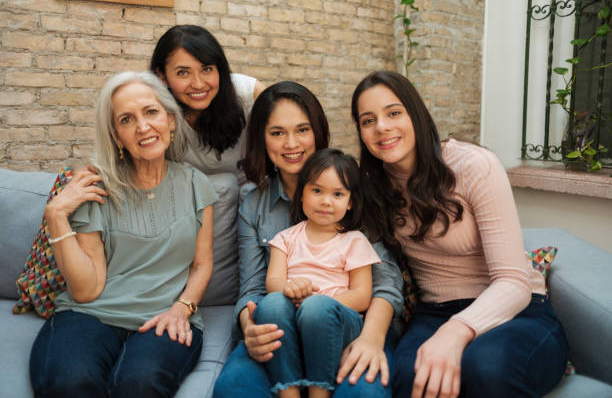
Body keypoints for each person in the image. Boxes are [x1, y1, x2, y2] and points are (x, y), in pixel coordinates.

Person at [351, 71, 569, 398]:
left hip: (516, 311)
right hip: (434, 311)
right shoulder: (371, 188)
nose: (381, 126)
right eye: (368, 120)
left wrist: (456, 331)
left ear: (418, 115)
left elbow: (513, 281)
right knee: (411, 378)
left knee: (487, 367)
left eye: (394, 112)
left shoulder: (472, 166)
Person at [29, 71, 218, 398]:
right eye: (127, 120)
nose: (143, 127)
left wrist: (182, 308)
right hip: (90, 315)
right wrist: (56, 215)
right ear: (117, 136)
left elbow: (202, 265)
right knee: (69, 384)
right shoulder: (96, 187)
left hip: (164, 317)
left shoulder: (196, 185)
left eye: (151, 112)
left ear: (171, 121)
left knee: (139, 386)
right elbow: (88, 290)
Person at [213, 82, 403, 398]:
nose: (291, 143)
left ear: (318, 130)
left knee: (362, 395)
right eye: (277, 133)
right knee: (234, 388)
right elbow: (253, 289)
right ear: (262, 138)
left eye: (302, 130)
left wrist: (370, 338)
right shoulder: (253, 204)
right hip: (279, 329)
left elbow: (385, 285)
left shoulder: (352, 189)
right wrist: (250, 330)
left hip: (349, 327)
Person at [255, 148, 381, 398]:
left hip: (338, 321)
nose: (325, 201)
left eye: (337, 194)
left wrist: (319, 303)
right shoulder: (286, 239)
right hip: (292, 318)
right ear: (301, 194)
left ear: (350, 202)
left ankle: (318, 392)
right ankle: (288, 392)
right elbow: (274, 282)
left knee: (316, 310)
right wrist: (289, 289)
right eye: (317, 191)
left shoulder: (353, 240)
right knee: (271, 304)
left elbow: (361, 295)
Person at [150, 24, 265, 183]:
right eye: (183, 72)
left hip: (255, 194)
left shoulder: (249, 93)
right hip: (193, 199)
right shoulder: (153, 109)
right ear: (162, 76)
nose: (198, 84)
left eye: (206, 69)